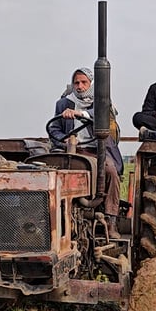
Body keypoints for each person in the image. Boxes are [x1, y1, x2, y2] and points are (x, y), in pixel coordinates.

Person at [47, 67, 124, 220]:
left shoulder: (102, 102)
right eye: (76, 83)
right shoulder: (63, 104)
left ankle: (111, 219)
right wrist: (63, 139)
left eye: (84, 82)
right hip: (70, 150)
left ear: (91, 84)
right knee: (50, 172)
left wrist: (81, 114)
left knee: (110, 172)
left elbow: (101, 115)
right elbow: (53, 128)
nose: (80, 86)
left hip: (96, 150)